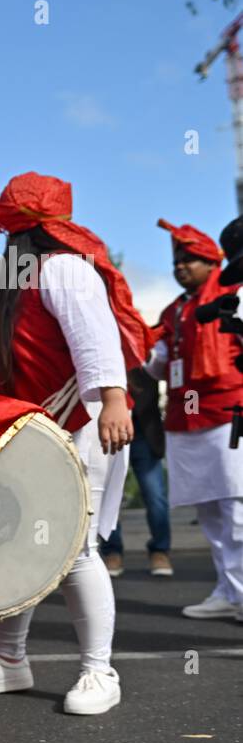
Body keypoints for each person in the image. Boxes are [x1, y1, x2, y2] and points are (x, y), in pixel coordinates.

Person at [0, 173, 152, 716]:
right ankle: (10, 660)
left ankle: (97, 670)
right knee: (24, 547)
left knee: (76, 550)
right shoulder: (17, 285)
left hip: (80, 428)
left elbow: (96, 338)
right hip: (35, 440)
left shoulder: (65, 271)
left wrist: (113, 398)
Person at [144, 218, 243, 619]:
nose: (180, 267)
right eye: (176, 262)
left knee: (237, 508)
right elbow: (158, 367)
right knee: (209, 512)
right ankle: (230, 591)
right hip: (187, 417)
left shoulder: (233, 291)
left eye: (189, 260)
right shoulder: (174, 310)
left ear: (210, 262)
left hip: (229, 410)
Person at [99, 367, 172, 578]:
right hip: (109, 433)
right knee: (109, 496)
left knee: (155, 496)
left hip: (144, 433)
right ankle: (112, 551)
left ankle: (160, 551)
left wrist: (189, 414)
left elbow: (184, 386)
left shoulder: (152, 344)